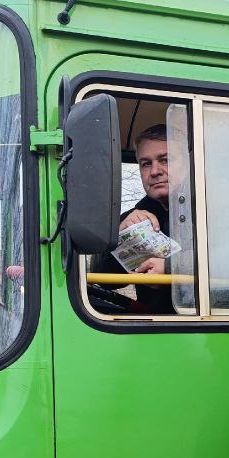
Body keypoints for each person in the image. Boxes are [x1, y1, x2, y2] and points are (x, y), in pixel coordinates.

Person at [89, 124, 177, 315]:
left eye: (165, 160)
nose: (155, 171)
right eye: (146, 163)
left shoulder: (213, 209)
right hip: (151, 325)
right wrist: (121, 237)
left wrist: (170, 268)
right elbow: (104, 279)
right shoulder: (134, 217)